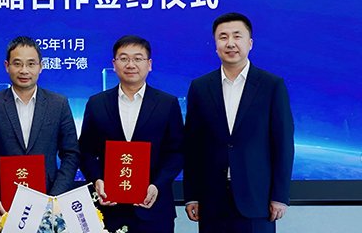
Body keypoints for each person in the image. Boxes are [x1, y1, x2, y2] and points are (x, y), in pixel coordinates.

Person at [183, 12, 295, 233]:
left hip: (258, 200)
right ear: (215, 45)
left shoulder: (271, 85)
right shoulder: (200, 87)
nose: (230, 43)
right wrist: (192, 196)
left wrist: (280, 196)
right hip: (212, 199)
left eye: (237, 36)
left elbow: (283, 144)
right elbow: (193, 146)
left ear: (250, 43)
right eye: (223, 37)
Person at [0, 36, 80, 233]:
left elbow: (71, 153)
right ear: (7, 66)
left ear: (41, 66)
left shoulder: (58, 104)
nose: (24, 70)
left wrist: (54, 198)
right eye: (17, 63)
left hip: (49, 207)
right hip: (1, 208)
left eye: (31, 64)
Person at [79, 35, 184, 233]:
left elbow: (177, 152)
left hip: (154, 209)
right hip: (108, 209)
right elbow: (85, 151)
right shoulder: (96, 103)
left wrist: (157, 185)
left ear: (149, 64)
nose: (130, 64)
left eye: (138, 58)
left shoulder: (167, 103)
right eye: (124, 58)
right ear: (114, 64)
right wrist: (97, 180)